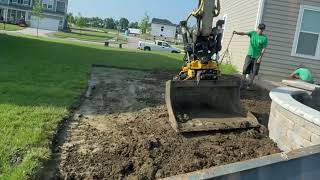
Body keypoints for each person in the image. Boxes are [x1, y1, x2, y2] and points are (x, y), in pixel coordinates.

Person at [233, 23, 268, 89]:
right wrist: (236, 32)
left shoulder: (264, 38)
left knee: (253, 72)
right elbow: (244, 33)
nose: (260, 30)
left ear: (263, 30)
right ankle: (242, 84)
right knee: (245, 70)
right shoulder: (252, 33)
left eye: (262, 29)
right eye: (259, 29)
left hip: (257, 57)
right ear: (257, 28)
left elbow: (264, 48)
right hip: (249, 55)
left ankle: (249, 85)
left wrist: (260, 57)